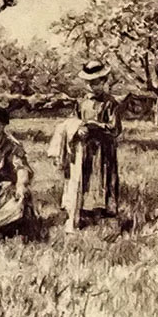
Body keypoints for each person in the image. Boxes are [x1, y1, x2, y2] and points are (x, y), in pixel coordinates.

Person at [48, 60, 121, 232]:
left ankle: (101, 213)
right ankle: (79, 212)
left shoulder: (110, 103)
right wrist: (78, 127)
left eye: (96, 83)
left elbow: (115, 128)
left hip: (103, 148)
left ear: (104, 82)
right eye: (89, 83)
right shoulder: (80, 102)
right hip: (83, 147)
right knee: (82, 177)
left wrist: (97, 126)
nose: (92, 87)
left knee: (101, 178)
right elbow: (72, 120)